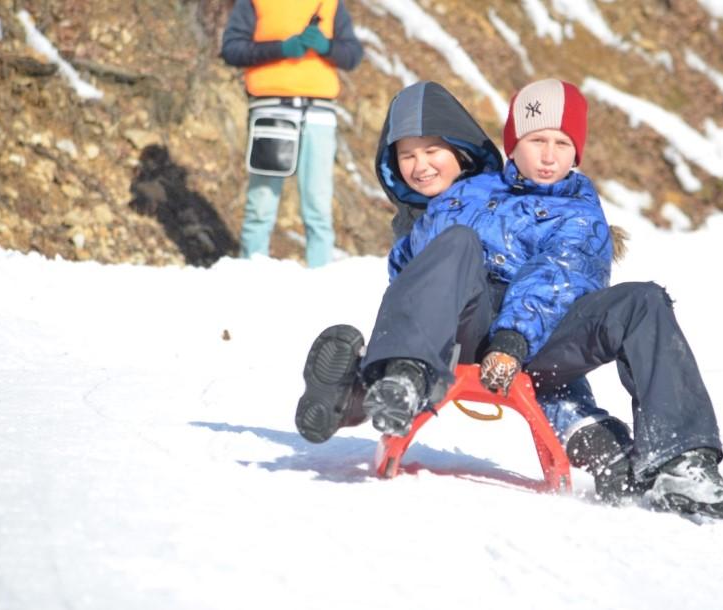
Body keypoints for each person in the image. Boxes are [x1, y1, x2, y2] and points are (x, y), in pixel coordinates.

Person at [296, 80, 633, 502]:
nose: (420, 166)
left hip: (508, 332)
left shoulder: (503, 197)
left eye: (432, 151)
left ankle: (371, 386)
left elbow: (550, 280)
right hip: (444, 336)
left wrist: (513, 339)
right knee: (429, 285)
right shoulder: (420, 219)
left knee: (462, 253)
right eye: (406, 156)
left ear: (461, 151)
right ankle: (370, 391)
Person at [221, 0, 363, 266]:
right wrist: (281, 48)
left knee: (318, 208)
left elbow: (353, 54)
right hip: (272, 111)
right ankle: (251, 275)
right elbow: (231, 49)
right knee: (261, 206)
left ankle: (319, 279)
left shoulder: (330, 4)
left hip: (319, 113)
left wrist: (327, 47)